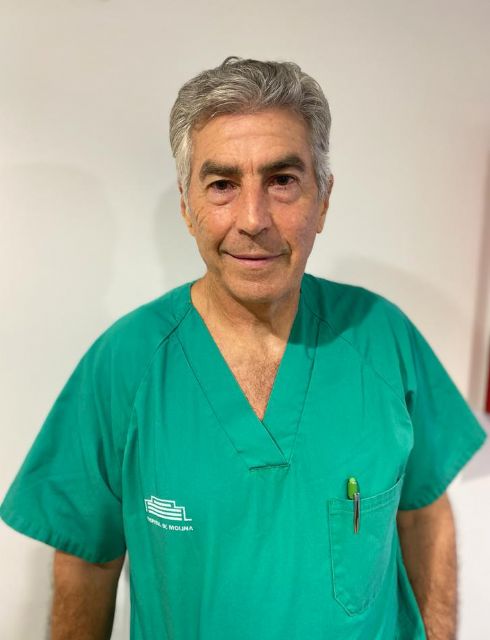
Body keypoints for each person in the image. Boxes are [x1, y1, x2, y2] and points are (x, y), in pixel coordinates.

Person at [0, 57, 486, 640]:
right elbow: (88, 562)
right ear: (187, 206)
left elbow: (425, 514)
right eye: (222, 185)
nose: (253, 219)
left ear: (323, 199)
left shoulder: (383, 339)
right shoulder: (124, 365)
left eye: (282, 181)